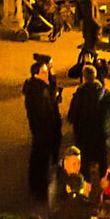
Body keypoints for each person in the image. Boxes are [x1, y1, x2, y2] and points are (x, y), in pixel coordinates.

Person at [25, 55, 64, 200]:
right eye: (43, 72)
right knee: (40, 157)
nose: (46, 74)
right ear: (36, 75)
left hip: (46, 127)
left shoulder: (42, 85)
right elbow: (44, 112)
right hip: (43, 129)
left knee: (41, 156)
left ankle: (38, 182)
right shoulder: (39, 91)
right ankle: (38, 186)